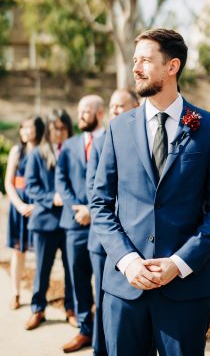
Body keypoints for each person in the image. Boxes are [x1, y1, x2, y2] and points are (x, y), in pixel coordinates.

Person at [91, 28, 210, 356]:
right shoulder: (117, 128)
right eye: (134, 61)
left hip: (184, 290)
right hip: (124, 289)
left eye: (145, 60)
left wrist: (179, 263)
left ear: (172, 67)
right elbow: (100, 202)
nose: (136, 68)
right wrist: (127, 261)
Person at [86, 89, 139, 356]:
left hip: (141, 242)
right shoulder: (102, 142)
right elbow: (95, 191)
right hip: (104, 240)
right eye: (112, 106)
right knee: (104, 299)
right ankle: (99, 347)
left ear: (136, 106)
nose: (115, 110)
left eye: (121, 105)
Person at [56, 94, 105, 353]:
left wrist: (92, 210)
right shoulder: (70, 145)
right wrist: (76, 206)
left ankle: (104, 334)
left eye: (85, 110)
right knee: (78, 278)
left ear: (99, 113)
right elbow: (61, 178)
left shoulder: (111, 140)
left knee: (103, 282)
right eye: (79, 110)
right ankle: (85, 329)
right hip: (74, 222)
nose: (80, 115)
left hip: (102, 224)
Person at [24, 109, 76, 331]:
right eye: (56, 127)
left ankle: (71, 309)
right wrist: (50, 198)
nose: (60, 132)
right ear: (48, 129)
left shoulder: (73, 151)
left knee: (72, 270)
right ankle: (37, 309)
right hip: (44, 222)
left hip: (69, 222)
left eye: (64, 128)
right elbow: (31, 186)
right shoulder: (37, 153)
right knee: (42, 270)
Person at [5, 116, 45, 310]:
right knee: (18, 251)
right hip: (19, 207)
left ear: (38, 129)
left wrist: (38, 206)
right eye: (23, 128)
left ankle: (39, 296)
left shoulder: (43, 151)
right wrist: (19, 205)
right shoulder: (16, 151)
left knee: (40, 253)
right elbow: (8, 183)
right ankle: (16, 293)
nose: (25, 131)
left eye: (29, 128)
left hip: (38, 207)